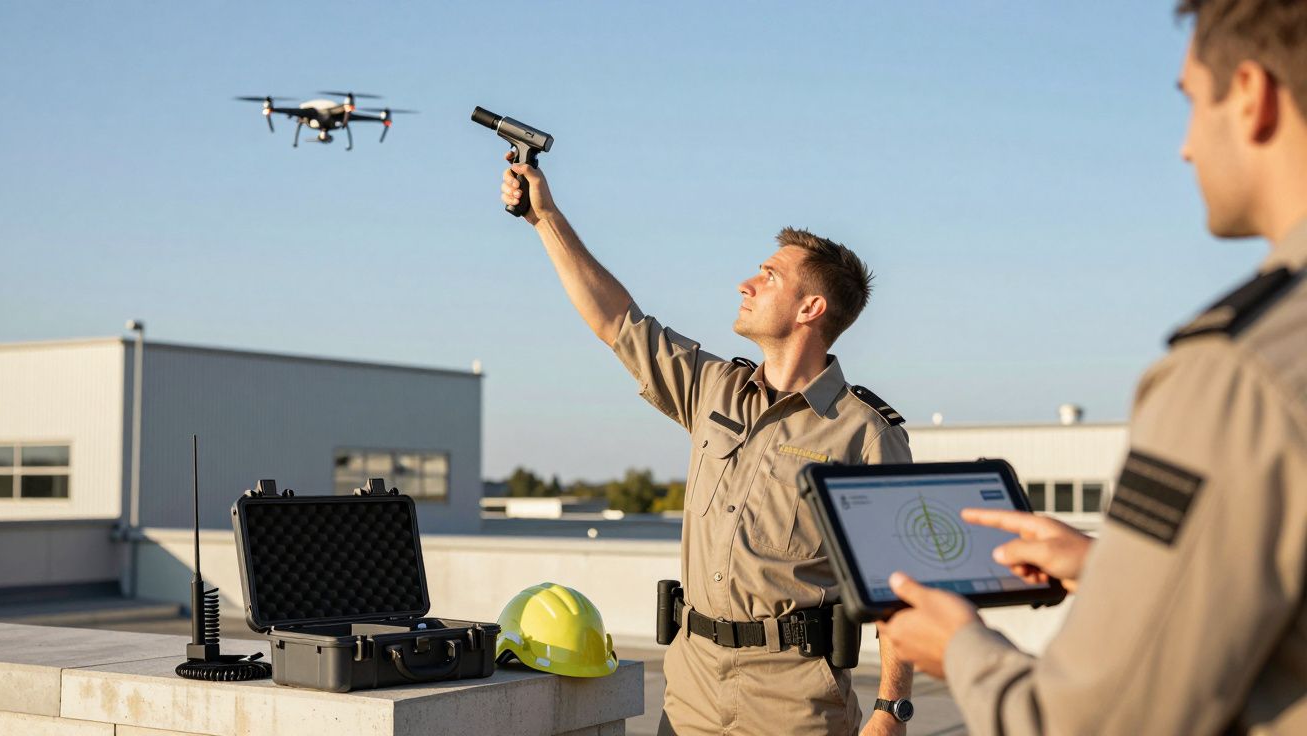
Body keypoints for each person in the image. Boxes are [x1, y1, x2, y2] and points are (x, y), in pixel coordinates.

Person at [876, 1, 1307, 733]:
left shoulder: (1237, 374)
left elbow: (1095, 721)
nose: (1186, 148)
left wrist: (963, 649)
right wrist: (1114, 569)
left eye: (1192, 104)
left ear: (1251, 94)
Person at [496, 158, 914, 734]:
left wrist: (892, 710)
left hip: (793, 703)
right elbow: (617, 320)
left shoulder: (865, 432)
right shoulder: (714, 388)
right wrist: (544, 217)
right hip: (691, 688)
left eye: (769, 275)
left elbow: (899, 587)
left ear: (810, 309)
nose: (747, 283)